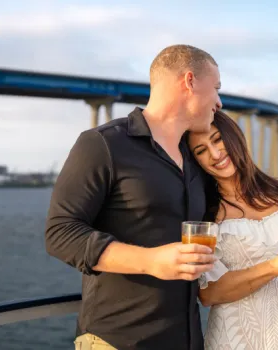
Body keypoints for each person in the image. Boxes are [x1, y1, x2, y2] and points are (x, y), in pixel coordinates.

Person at [45, 44, 222, 350]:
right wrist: (150, 261)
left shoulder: (196, 161)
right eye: (217, 88)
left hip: (188, 340)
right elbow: (60, 233)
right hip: (117, 340)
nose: (219, 101)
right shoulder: (102, 144)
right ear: (190, 80)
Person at [188, 110, 278, 349]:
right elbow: (208, 294)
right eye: (201, 151)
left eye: (217, 139)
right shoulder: (204, 214)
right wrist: (274, 266)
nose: (214, 154)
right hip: (235, 342)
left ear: (234, 136)